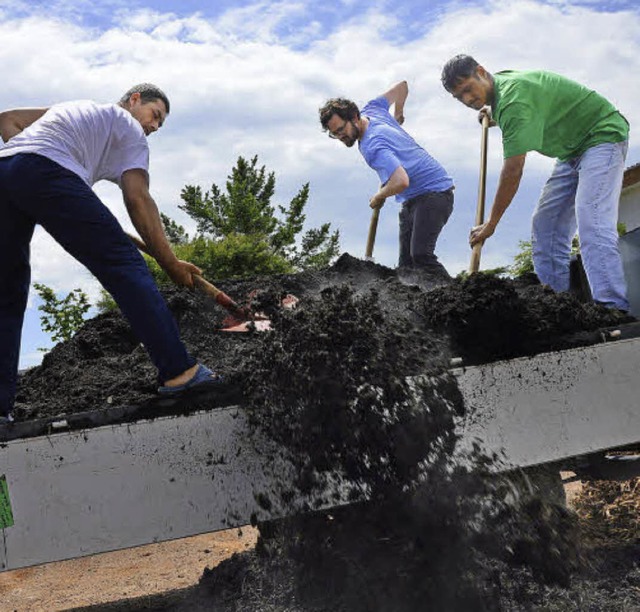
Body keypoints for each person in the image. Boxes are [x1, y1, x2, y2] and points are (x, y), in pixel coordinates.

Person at [0, 83, 222, 423]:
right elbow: (138, 199)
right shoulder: (127, 125)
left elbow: (7, 120)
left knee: (7, 296)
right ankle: (179, 372)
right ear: (134, 100)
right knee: (125, 264)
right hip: (47, 172)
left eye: (160, 124)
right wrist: (170, 262)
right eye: (155, 115)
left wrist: (26, 177)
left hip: (6, 170)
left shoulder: (73, 107)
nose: (154, 127)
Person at [441, 54, 630, 311]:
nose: (467, 100)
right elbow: (525, 107)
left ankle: (612, 308)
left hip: (601, 136)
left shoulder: (513, 101)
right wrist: (492, 111)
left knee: (592, 219)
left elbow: (513, 171)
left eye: (467, 90)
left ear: (481, 72)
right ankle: (558, 309)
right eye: (458, 97)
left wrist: (491, 223)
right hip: (570, 152)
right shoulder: (502, 93)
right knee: (546, 226)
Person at [319, 81, 454, 276]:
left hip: (434, 192)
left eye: (341, 130)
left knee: (421, 256)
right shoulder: (372, 109)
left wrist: (379, 196)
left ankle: (457, 300)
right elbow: (402, 87)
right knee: (406, 268)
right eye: (334, 134)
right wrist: (398, 113)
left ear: (354, 118)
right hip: (412, 199)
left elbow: (400, 181)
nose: (340, 136)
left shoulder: (373, 146)